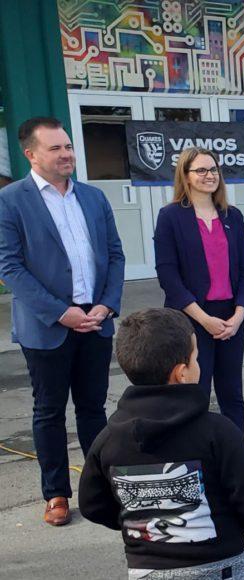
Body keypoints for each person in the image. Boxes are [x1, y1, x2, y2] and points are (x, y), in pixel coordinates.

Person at [78, 308, 244, 579]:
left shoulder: (108, 440)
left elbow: (93, 505)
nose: (198, 364)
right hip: (222, 565)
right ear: (181, 373)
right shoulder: (218, 431)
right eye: (196, 358)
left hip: (146, 569)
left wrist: (141, 527)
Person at [0, 117, 125, 526]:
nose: (67, 154)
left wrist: (106, 305)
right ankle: (55, 493)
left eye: (68, 146)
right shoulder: (10, 201)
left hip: (96, 320)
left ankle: (100, 487)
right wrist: (60, 312)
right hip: (47, 326)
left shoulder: (93, 197)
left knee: (93, 409)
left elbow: (115, 254)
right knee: (49, 411)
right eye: (55, 148)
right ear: (31, 154)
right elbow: (10, 267)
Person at [154, 147, 244, 432]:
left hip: (231, 318)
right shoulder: (170, 216)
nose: (209, 175)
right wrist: (204, 319)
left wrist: (239, 314)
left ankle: (237, 454)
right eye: (201, 170)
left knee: (232, 395)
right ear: (185, 176)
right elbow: (168, 275)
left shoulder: (232, 216)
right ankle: (196, 453)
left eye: (213, 170)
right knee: (194, 395)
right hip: (191, 318)